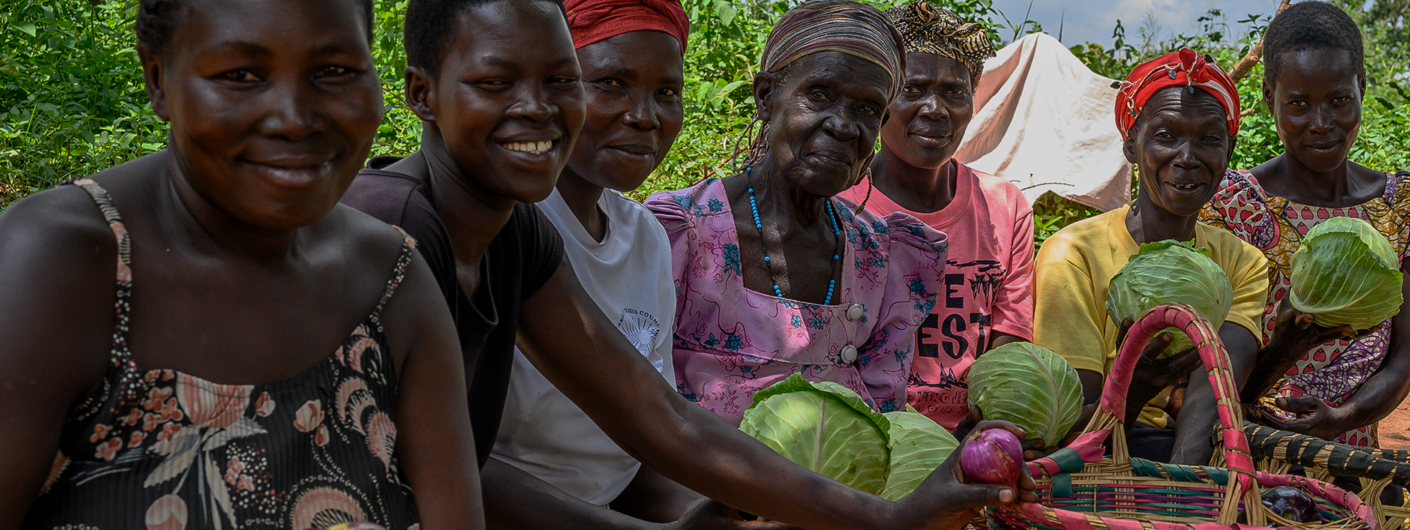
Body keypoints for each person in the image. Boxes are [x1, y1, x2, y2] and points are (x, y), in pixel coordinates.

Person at [342, 1, 1025, 528]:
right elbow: (443, 472)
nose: (539, 108)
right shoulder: (398, 224)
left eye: (559, 81)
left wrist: (883, 516)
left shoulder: (518, 232)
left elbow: (654, 418)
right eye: (497, 82)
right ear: (421, 93)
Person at [0, 0, 483, 527]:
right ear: (158, 80)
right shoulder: (57, 267)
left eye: (334, 71)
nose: (295, 119)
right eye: (240, 75)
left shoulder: (392, 283)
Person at [476, 1, 723, 527]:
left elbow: (634, 448)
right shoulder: (497, 226)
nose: (645, 115)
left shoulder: (647, 238)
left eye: (667, 92)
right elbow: (459, 465)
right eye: (611, 82)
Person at [1032, 49, 1343, 465]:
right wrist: (1133, 387)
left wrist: (1182, 489)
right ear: (1130, 146)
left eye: (1209, 139)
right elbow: (1072, 429)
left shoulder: (1241, 262)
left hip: (1190, 446)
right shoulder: (1072, 255)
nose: (1187, 157)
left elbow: (1213, 393)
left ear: (1228, 151)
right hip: (1098, 452)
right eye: (1165, 136)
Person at [647, 1, 950, 423]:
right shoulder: (680, 233)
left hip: (839, 486)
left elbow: (885, 416)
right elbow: (635, 405)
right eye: (820, 95)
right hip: (693, 486)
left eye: (867, 109)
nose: (843, 126)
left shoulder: (883, 259)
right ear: (767, 97)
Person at [1198, 0, 1410, 449]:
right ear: (1267, 97)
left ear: (1361, 88)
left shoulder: (1401, 205)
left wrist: (1342, 417)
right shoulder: (1232, 207)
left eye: (1339, 100)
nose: (1321, 124)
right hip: (1240, 453)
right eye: (1298, 103)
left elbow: (1402, 361)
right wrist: (1283, 351)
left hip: (1352, 460)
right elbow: (1210, 377)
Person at [834, 1, 1033, 433]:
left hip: (973, 432)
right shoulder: (840, 204)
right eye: (914, 88)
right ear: (882, 97)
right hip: (865, 430)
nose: (936, 109)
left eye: (954, 92)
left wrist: (987, 429)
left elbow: (1009, 341)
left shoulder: (1005, 206)